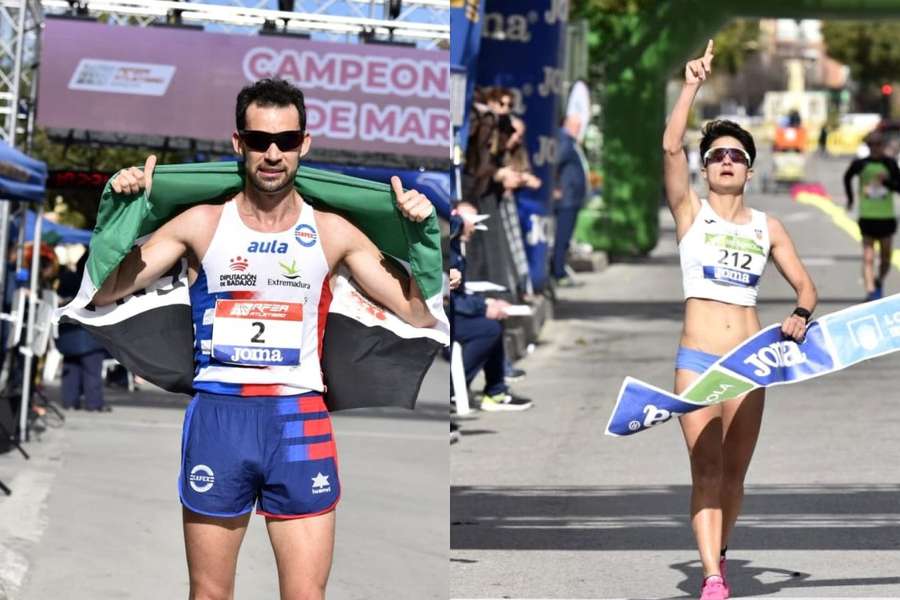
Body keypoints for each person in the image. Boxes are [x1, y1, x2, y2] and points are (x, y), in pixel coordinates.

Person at [94, 78, 437, 599]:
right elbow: (103, 292)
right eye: (258, 141)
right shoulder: (202, 224)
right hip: (220, 419)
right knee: (209, 595)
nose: (272, 153)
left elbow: (418, 312)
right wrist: (125, 214)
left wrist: (422, 232)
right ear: (239, 144)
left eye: (286, 140)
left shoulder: (332, 231)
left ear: (305, 143)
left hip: (297, 420)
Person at [662, 41, 817, 600]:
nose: (726, 160)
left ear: (748, 171)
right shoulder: (690, 215)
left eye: (736, 156)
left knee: (733, 474)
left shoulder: (766, 226)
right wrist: (691, 85)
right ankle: (710, 577)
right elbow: (671, 147)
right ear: (706, 170)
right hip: (697, 361)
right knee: (705, 469)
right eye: (717, 155)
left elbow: (806, 286)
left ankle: (719, 552)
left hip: (750, 362)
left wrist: (800, 314)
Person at [842, 133, 900, 300]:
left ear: (882, 146)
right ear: (868, 147)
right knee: (868, 256)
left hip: (886, 216)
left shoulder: (889, 164)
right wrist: (851, 199)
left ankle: (879, 280)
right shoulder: (861, 164)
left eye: (878, 145)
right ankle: (871, 292)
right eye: (872, 145)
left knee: (886, 257)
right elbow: (847, 177)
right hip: (867, 216)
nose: (875, 148)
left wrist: (886, 182)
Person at [552, 113, 589, 287]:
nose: (579, 129)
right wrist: (555, 186)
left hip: (572, 197)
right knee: (562, 237)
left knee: (565, 237)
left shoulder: (571, 142)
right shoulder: (565, 140)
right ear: (568, 125)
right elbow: (555, 163)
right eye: (576, 125)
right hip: (566, 198)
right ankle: (558, 272)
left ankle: (560, 269)